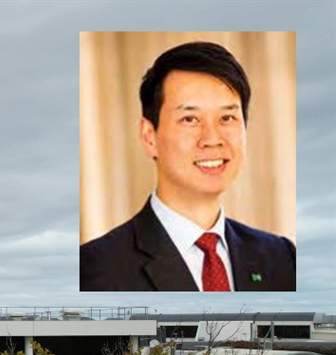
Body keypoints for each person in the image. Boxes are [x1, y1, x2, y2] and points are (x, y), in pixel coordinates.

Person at [80, 41, 295, 292]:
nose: (212, 139)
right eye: (190, 119)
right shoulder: (93, 270)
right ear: (150, 136)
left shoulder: (282, 258)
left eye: (227, 118)